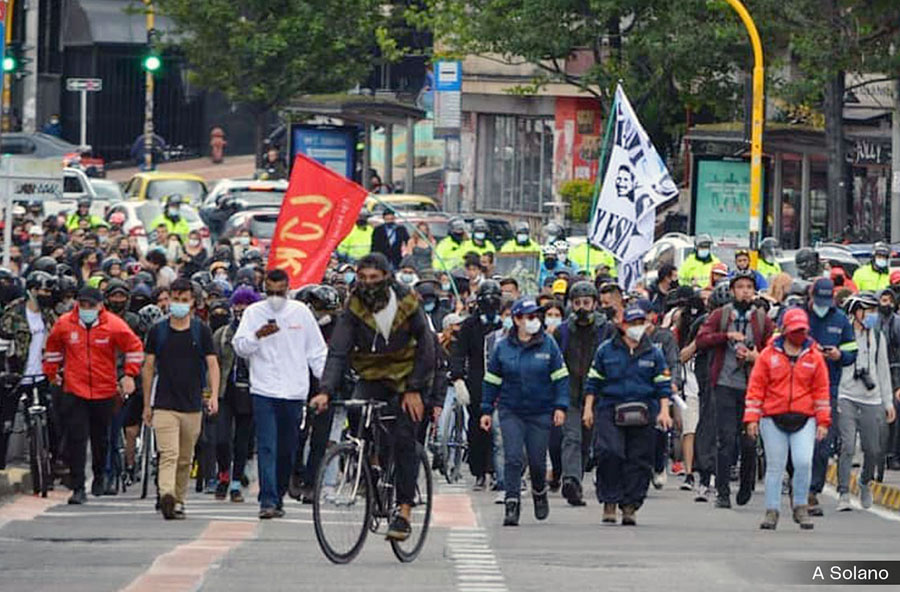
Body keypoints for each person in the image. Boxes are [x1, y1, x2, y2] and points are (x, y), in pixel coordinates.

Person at [311, 252, 436, 541]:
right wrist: (325, 391)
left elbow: (427, 348)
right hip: (372, 375)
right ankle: (371, 464)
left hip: (409, 375)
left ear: (387, 278)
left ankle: (403, 511)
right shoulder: (353, 307)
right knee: (356, 411)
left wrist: (415, 388)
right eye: (363, 278)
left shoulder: (408, 302)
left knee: (405, 437)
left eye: (375, 279)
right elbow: (338, 351)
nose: (368, 284)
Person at [233, 269, 327, 519]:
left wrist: (327, 383)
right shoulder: (254, 313)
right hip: (264, 389)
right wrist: (258, 335)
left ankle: (280, 492)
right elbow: (240, 347)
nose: (275, 297)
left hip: (294, 391)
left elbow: (316, 351)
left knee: (288, 448)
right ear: (264, 289)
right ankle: (268, 500)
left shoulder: (301, 313)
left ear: (288, 289)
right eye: (270, 292)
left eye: (280, 292)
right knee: (266, 446)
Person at [43, 286, 144, 504]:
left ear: (100, 306)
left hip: (104, 389)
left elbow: (134, 348)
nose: (86, 309)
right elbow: (52, 349)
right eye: (83, 304)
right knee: (76, 438)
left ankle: (99, 476)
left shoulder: (114, 325)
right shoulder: (64, 323)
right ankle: (78, 487)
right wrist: (52, 373)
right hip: (74, 388)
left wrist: (129, 375)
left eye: (91, 305)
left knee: (101, 438)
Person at [480, 298, 568, 526]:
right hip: (511, 410)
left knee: (537, 461)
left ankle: (539, 492)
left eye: (536, 317)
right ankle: (512, 503)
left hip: (540, 411)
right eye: (529, 317)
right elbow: (492, 380)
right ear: (516, 320)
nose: (534, 322)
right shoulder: (502, 347)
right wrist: (486, 410)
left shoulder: (548, 345)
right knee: (512, 457)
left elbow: (560, 378)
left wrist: (560, 406)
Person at [583, 305, 673, 525]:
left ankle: (630, 505)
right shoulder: (606, 350)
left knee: (639, 459)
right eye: (632, 324)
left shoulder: (654, 353)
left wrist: (664, 411)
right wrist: (588, 408)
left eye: (640, 323)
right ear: (622, 326)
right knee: (609, 452)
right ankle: (610, 501)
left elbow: (663, 385)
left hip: (644, 410)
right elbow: (593, 382)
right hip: (610, 408)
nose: (637, 328)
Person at [744, 308, 831, 530]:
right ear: (784, 330)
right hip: (773, 417)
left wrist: (823, 421)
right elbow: (756, 389)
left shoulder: (815, 357)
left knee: (803, 462)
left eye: (802, 331)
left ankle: (801, 506)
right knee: (775, 466)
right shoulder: (768, 356)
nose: (799, 334)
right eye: (795, 330)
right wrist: (752, 418)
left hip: (805, 417)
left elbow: (821, 391)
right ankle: (772, 511)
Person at [141, 278, 219, 519]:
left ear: (193, 302)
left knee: (185, 458)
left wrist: (214, 395)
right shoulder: (158, 331)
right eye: (175, 299)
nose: (179, 304)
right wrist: (146, 404)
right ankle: (166, 494)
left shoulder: (201, 331)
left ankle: (178, 499)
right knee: (169, 454)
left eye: (184, 300)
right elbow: (148, 367)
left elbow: (212, 364)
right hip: (164, 403)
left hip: (192, 405)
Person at [696, 269, 774, 508]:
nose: (745, 292)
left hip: (752, 388)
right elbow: (701, 340)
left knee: (750, 440)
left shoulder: (761, 319)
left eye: (749, 288)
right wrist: (725, 335)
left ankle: (747, 483)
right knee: (725, 439)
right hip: (724, 384)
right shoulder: (721, 315)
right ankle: (722, 492)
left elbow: (774, 348)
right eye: (740, 287)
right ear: (732, 291)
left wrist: (755, 356)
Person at [835, 293, 895, 511]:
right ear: (854, 312)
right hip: (847, 395)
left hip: (872, 398)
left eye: (873, 311)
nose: (871, 315)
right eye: (867, 310)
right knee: (848, 446)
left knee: (873, 449)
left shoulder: (878, 337)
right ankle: (843, 492)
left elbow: (883, 371)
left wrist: (887, 403)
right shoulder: (844, 334)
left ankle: (864, 482)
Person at [805, 277, 856, 516]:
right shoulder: (799, 315)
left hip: (828, 387)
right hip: (799, 386)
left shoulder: (840, 319)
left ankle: (812, 491)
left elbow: (851, 351)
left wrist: (838, 355)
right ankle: (798, 483)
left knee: (822, 444)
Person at [554, 281, 607, 506]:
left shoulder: (607, 330)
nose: (582, 308)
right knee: (572, 438)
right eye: (577, 303)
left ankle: (579, 479)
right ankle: (571, 481)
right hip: (570, 395)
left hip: (599, 396)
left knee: (588, 443)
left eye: (586, 303)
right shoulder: (562, 331)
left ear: (595, 304)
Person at [0, 271, 59, 471]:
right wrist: (6, 372)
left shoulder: (49, 315)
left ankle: (50, 464)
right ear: (32, 290)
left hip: (42, 377)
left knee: (52, 421)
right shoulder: (14, 313)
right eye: (43, 290)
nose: (46, 294)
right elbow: (2, 346)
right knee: (5, 423)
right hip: (16, 377)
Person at [450, 280, 504, 491]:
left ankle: (496, 470)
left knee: (500, 429)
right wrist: (458, 379)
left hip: (502, 381)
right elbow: (458, 352)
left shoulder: (504, 325)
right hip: (476, 382)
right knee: (476, 428)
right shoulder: (470, 326)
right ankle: (479, 471)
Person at [213, 287, 260, 502]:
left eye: (246, 304)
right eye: (238, 304)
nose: (241, 308)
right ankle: (223, 473)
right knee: (221, 438)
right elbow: (212, 364)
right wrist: (210, 393)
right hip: (225, 391)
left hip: (250, 391)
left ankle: (235, 482)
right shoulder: (222, 334)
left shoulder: (261, 332)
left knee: (243, 440)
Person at [877, 289, 900, 472]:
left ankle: (892, 455)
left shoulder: (897, 324)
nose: (886, 304)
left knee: (895, 413)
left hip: (894, 375)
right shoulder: (873, 323)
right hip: (875, 376)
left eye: (889, 300)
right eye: (883, 300)